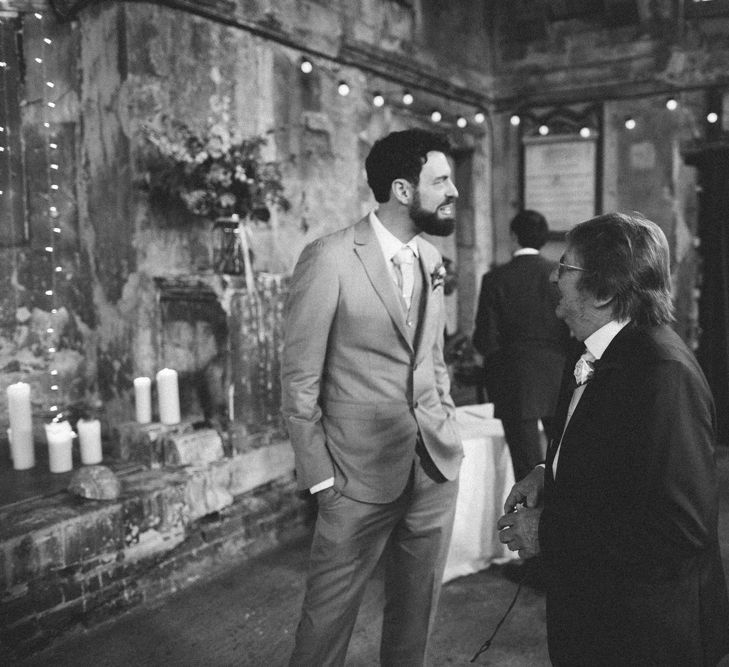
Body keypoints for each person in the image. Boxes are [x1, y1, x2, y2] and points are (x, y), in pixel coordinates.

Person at [497, 212, 729, 666]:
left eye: (566, 268)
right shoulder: (594, 350)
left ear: (603, 291)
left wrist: (547, 530)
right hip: (599, 611)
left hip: (642, 632)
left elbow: (677, 531)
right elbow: (624, 464)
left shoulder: (663, 375)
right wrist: (551, 472)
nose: (555, 278)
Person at [281, 128, 463, 666]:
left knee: (415, 618)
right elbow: (299, 384)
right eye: (442, 180)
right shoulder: (329, 258)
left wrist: (446, 424)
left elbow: (431, 358)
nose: (454, 190)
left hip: (433, 466)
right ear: (403, 191)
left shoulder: (431, 258)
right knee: (325, 623)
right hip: (352, 477)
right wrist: (321, 479)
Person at [472, 209, 569, 481]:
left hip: (513, 380)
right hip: (558, 376)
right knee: (565, 463)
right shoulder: (560, 275)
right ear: (544, 239)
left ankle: (527, 522)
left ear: (513, 236)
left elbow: (485, 339)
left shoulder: (495, 279)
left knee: (526, 472)